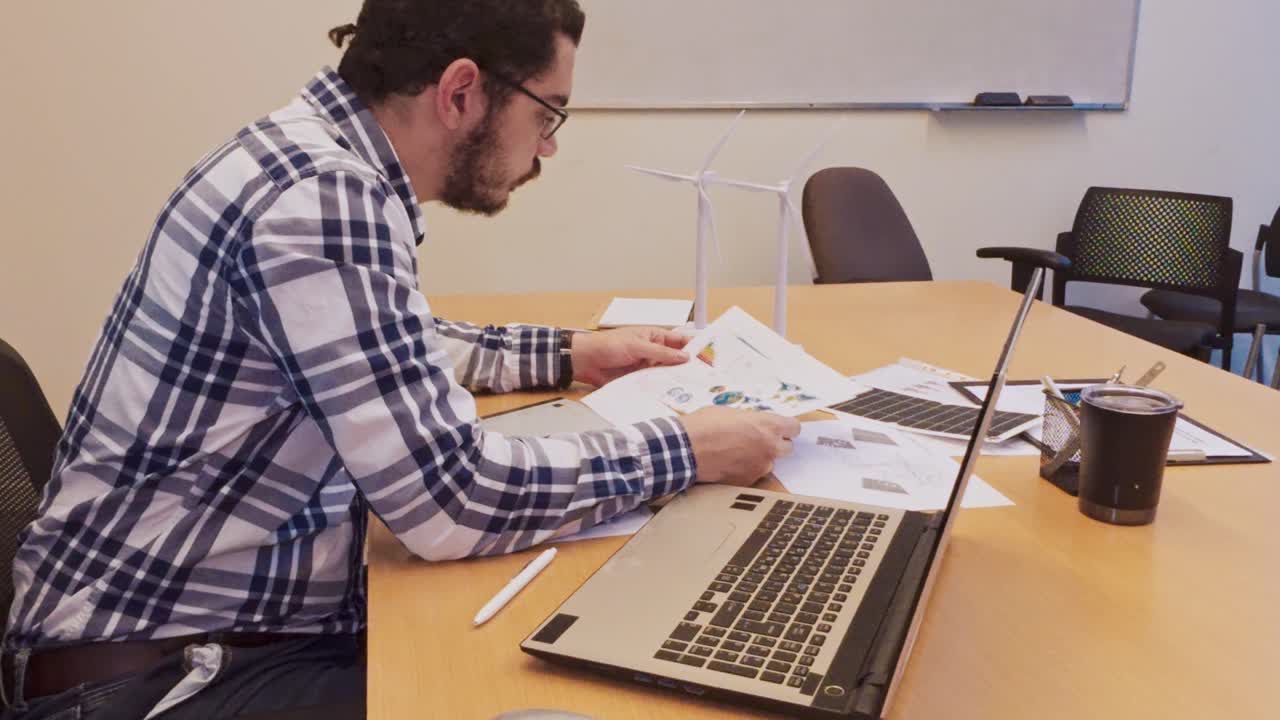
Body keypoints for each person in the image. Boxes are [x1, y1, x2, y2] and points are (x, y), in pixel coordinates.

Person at [1, 1, 799, 718]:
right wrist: (686, 450)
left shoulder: (305, 156)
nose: (549, 147)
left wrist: (572, 352)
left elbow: (386, 344)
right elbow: (450, 507)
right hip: (154, 681)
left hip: (187, 638)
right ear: (460, 93)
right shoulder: (320, 198)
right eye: (549, 112)